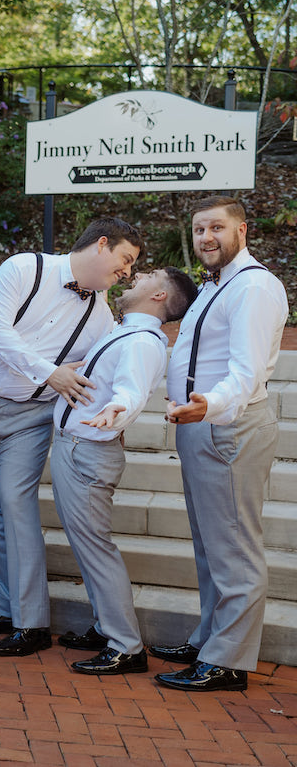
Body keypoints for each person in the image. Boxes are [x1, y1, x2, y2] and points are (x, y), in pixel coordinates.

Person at [0, 218, 141, 657]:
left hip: (32, 416)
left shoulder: (101, 316)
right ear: (102, 245)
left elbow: (106, 370)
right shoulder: (24, 269)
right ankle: (8, 606)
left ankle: (31, 624)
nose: (128, 273)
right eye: (125, 260)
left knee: (16, 508)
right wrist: (50, 372)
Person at [154, 196, 288, 692]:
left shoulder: (253, 287)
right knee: (213, 546)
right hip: (202, 423)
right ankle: (210, 638)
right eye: (198, 230)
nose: (206, 238)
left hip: (228, 425)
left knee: (234, 548)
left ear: (242, 230)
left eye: (216, 228)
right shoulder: (219, 286)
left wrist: (208, 405)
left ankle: (227, 661)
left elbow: (246, 373)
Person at [51, 267, 197, 676]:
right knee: (88, 547)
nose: (137, 275)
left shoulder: (143, 342)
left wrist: (119, 410)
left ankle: (126, 646)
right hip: (80, 448)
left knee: (96, 549)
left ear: (160, 296)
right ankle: (106, 627)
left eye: (149, 275)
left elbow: (131, 391)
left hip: (88, 451)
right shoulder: (127, 332)